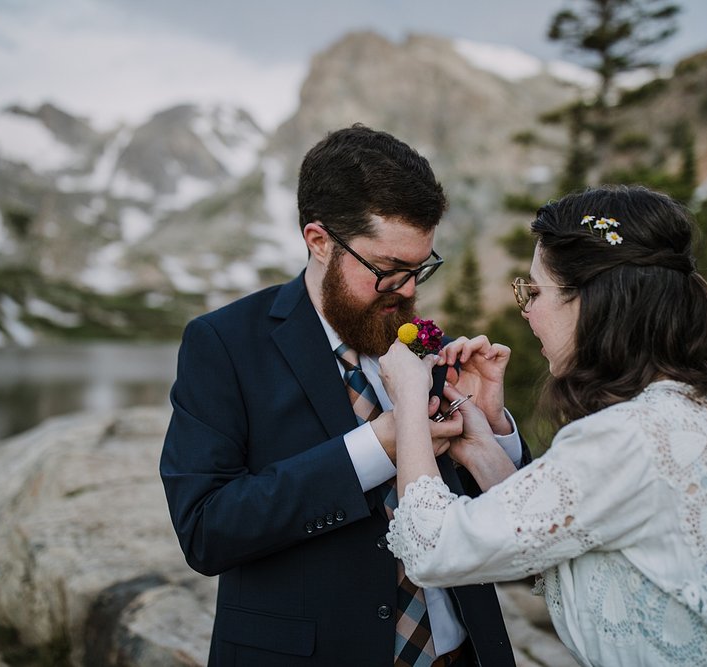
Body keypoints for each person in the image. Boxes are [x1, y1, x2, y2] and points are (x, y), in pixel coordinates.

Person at [160, 124, 529, 666]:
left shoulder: (430, 346)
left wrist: (494, 431)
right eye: (387, 269)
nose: (406, 291)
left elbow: (508, 520)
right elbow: (206, 529)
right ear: (319, 241)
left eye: (420, 268)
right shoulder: (224, 345)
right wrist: (379, 447)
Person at [380, 185, 707, 667]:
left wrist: (406, 401)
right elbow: (575, 537)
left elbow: (433, 547)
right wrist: (481, 446)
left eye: (535, 290)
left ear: (590, 300)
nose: (524, 309)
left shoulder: (628, 437)